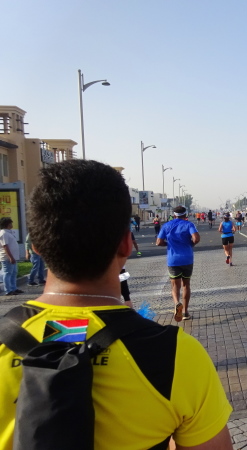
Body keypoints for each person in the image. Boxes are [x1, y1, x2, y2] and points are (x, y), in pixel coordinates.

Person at [0, 160, 233, 449]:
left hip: (172, 260)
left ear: (36, 246)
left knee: (177, 283)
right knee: (185, 285)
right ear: (126, 244)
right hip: (182, 267)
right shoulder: (177, 354)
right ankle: (183, 306)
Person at [157, 206, 200, 322]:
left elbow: (158, 242)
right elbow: (196, 238)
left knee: (175, 286)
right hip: (187, 259)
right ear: (185, 214)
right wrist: (191, 244)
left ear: (174, 215)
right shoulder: (189, 225)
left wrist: (168, 244)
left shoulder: (167, 225)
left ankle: (177, 303)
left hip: (173, 260)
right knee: (186, 285)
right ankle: (185, 312)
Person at [0, 218, 22, 296]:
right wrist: (10, 257)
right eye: (10, 223)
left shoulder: (9, 232)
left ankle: (14, 288)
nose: (11, 224)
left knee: (13, 273)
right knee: (7, 273)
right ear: (7, 224)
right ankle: (8, 290)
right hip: (7, 258)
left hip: (13, 257)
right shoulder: (3, 233)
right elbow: (5, 246)